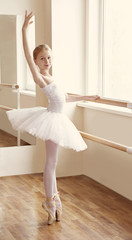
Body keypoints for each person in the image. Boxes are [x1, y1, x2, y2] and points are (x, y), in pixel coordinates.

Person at [6, 11, 100, 225]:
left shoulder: (52, 78)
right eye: (42, 59)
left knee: (53, 163)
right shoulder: (39, 77)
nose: (46, 61)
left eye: (48, 58)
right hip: (52, 120)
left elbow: (65, 97)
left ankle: (54, 199)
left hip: (57, 119)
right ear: (37, 62)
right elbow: (28, 57)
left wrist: (88, 97)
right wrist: (24, 31)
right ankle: (49, 201)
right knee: (50, 163)